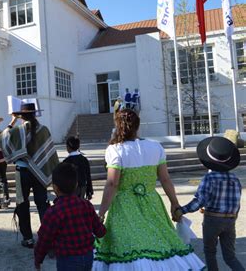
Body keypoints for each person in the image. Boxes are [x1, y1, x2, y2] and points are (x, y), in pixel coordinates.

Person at [94, 109, 205, 270]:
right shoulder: (155, 147)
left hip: (124, 206)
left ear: (118, 126)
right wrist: (174, 204)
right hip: (152, 202)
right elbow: (165, 179)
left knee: (130, 245)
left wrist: (102, 212)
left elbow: (112, 184)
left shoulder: (116, 150)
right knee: (159, 240)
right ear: (137, 126)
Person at [174, 137, 244, 271]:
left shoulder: (209, 178)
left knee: (210, 253)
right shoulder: (235, 179)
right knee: (230, 257)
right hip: (230, 220)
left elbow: (199, 201)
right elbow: (236, 203)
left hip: (212, 220)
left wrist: (181, 210)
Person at [0, 102, 59, 248]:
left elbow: (2, 138)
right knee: (42, 203)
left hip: (22, 173)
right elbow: (48, 152)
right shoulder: (44, 130)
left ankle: (28, 238)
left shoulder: (17, 130)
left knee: (22, 203)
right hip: (40, 173)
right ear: (34, 114)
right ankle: (48, 238)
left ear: (21, 117)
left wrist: (12, 121)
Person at [34, 163, 106, 271]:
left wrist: (38, 259)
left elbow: (44, 239)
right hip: (88, 257)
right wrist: (101, 223)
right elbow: (100, 232)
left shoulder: (53, 212)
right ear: (76, 185)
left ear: (55, 188)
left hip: (67, 260)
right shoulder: (86, 205)